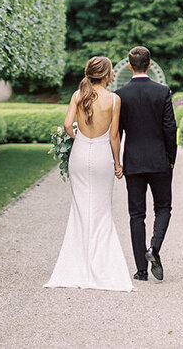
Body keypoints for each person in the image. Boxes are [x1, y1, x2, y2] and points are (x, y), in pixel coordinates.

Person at [45, 56, 133, 291]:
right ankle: (101, 265)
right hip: (103, 155)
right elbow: (114, 136)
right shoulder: (114, 100)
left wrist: (79, 139)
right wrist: (118, 162)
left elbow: (66, 125)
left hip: (80, 155)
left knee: (80, 208)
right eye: (111, 71)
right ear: (105, 75)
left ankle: (77, 263)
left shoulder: (77, 94)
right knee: (102, 209)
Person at [116, 45, 177, 282]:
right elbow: (170, 127)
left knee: (136, 215)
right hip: (160, 159)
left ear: (130, 66)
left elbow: (117, 132)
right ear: (149, 65)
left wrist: (118, 161)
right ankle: (154, 248)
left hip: (133, 161)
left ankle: (141, 270)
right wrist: (171, 158)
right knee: (163, 208)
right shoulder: (162, 91)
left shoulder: (121, 94)